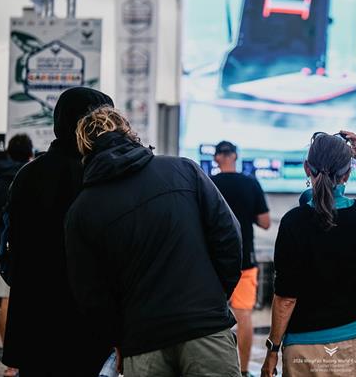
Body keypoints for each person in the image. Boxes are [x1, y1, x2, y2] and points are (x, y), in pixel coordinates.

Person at [66, 106, 243, 377]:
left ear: (84, 147)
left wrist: (117, 337)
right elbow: (229, 235)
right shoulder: (182, 169)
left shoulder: (81, 210)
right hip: (205, 328)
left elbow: (91, 293)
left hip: (142, 340)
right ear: (128, 132)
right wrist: (215, 297)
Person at [261, 131, 356, 377]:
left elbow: (286, 298)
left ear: (306, 169)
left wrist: (273, 349)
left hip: (307, 348)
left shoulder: (294, 222)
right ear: (347, 174)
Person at [2, 87, 114, 376]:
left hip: (35, 318)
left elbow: (10, 245)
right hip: (86, 321)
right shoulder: (99, 173)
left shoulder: (28, 174)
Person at [211, 140, 271, 377]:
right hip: (244, 259)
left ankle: (216, 369)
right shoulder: (250, 183)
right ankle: (244, 370)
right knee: (244, 315)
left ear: (217, 158)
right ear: (235, 156)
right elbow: (265, 222)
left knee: (212, 317)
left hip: (212, 262)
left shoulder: (209, 183)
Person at [0, 133, 33, 377]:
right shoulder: (32, 176)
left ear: (8, 151)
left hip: (4, 251)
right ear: (29, 153)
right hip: (32, 248)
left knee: (6, 300)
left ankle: (9, 359)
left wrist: (1, 240)